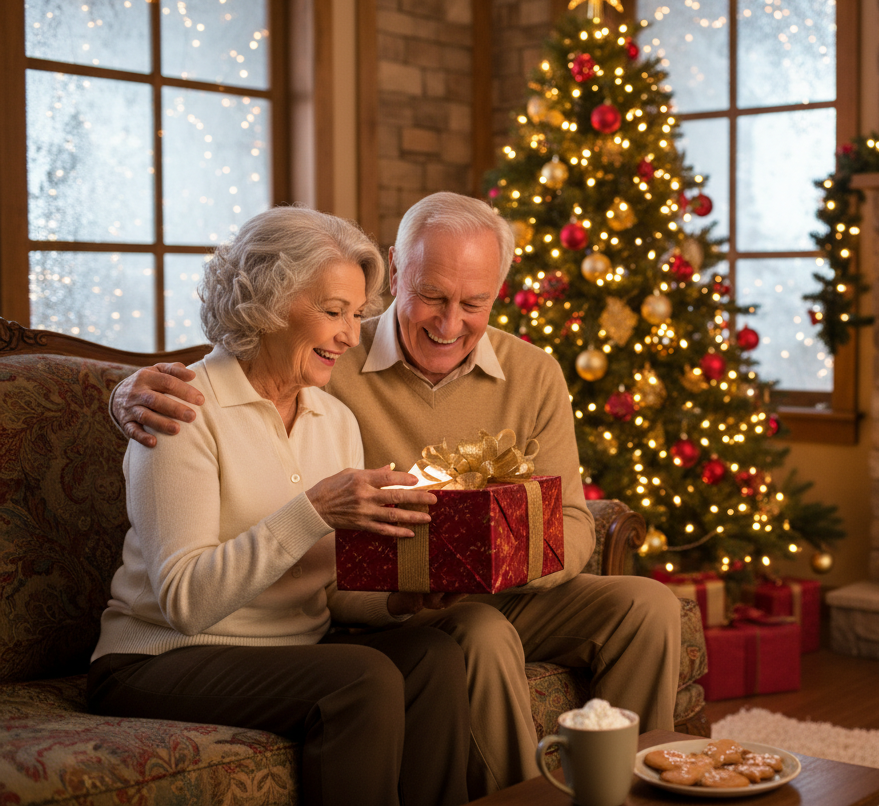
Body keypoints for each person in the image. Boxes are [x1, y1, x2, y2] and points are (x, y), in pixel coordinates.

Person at [110, 192, 683, 797]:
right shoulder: (274, 387)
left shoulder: (341, 412)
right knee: (435, 650)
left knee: (645, 606)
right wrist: (120, 396)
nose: (449, 321)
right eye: (432, 296)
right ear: (398, 269)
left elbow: (571, 520)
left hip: (463, 596)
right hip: (217, 637)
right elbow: (222, 378)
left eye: (475, 303)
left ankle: (644, 788)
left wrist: (464, 573)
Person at [90, 206, 472, 806]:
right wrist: (313, 511)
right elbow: (186, 602)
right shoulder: (182, 411)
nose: (350, 334)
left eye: (356, 313)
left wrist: (400, 600)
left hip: (296, 651)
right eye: (332, 311)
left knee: (434, 655)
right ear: (265, 303)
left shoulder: (333, 418)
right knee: (363, 679)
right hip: (161, 658)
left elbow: (325, 589)